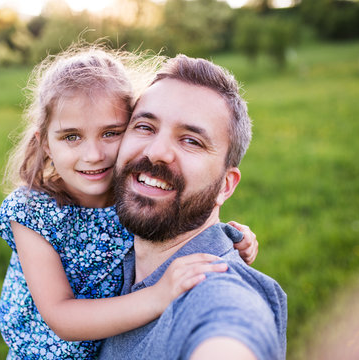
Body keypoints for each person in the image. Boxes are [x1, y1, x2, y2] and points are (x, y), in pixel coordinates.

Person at [0, 45, 260, 359]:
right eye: (71, 137)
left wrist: (230, 236)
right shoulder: (34, 213)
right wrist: (157, 297)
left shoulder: (129, 196)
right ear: (45, 145)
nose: (93, 155)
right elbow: (62, 318)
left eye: (110, 133)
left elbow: (175, 214)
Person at [99, 55, 287, 360]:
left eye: (191, 141)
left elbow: (230, 329)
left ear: (225, 186)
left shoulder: (219, 292)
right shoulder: (102, 255)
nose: (157, 152)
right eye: (145, 126)